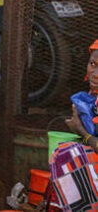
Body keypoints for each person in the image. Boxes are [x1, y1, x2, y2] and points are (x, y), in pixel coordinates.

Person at [51, 40, 98, 211]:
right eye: (93, 64)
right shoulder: (91, 99)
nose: (96, 73)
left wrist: (79, 129)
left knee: (69, 155)